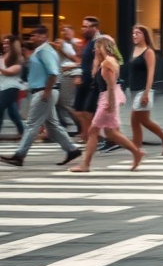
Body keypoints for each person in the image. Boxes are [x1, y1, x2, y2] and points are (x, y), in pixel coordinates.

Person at [0, 26, 81, 167]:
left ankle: (19, 155)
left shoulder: (45, 50)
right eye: (32, 36)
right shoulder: (41, 51)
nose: (32, 38)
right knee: (53, 125)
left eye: (35, 35)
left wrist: (48, 90)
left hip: (44, 91)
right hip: (43, 91)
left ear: (44, 36)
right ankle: (72, 149)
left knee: (32, 124)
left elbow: (53, 72)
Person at [69, 36, 145, 172]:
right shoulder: (106, 61)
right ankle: (136, 152)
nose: (94, 50)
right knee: (111, 132)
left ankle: (85, 165)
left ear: (102, 47)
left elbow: (110, 85)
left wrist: (110, 104)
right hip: (108, 97)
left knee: (94, 130)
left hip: (108, 98)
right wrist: (96, 61)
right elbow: (99, 78)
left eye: (96, 47)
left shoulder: (107, 63)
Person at [129, 25, 163, 154]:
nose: (134, 35)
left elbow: (151, 73)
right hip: (134, 90)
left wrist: (146, 93)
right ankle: (137, 151)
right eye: (133, 33)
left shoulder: (148, 52)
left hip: (144, 90)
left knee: (143, 120)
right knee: (135, 122)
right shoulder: (135, 49)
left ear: (144, 35)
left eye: (137, 33)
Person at [72, 16, 100, 142]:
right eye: (83, 26)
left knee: (89, 113)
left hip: (94, 83)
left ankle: (92, 138)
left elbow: (114, 59)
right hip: (84, 80)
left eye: (86, 27)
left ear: (94, 28)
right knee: (78, 112)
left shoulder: (101, 41)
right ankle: (87, 136)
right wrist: (78, 74)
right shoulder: (87, 42)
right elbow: (84, 62)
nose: (83, 29)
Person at [0, 35, 25, 138]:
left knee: (0, 109)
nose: (5, 45)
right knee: (12, 111)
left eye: (7, 43)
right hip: (2, 86)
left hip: (11, 87)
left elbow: (8, 72)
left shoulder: (18, 57)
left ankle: (23, 132)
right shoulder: (3, 56)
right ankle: (22, 131)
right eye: (4, 43)